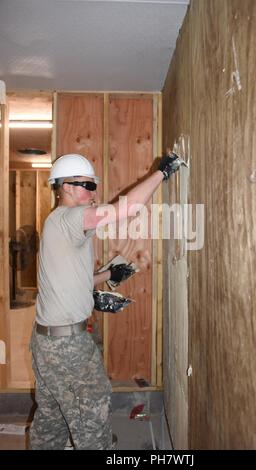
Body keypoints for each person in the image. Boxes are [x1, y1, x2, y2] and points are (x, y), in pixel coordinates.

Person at [29, 152, 181, 450]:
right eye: (86, 184)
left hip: (46, 342)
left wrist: (108, 274)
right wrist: (161, 173)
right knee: (91, 417)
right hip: (66, 348)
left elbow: (70, 278)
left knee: (52, 417)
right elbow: (126, 209)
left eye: (93, 184)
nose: (92, 190)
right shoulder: (69, 218)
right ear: (66, 187)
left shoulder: (61, 226)